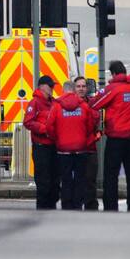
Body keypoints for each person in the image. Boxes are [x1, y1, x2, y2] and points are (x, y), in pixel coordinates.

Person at [91, 60, 130, 212]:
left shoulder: (113, 88)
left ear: (113, 73)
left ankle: (111, 208)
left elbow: (94, 104)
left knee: (111, 175)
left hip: (116, 140)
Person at [47, 81, 97, 210]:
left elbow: (49, 126)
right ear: (74, 90)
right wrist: (83, 139)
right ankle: (77, 205)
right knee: (80, 179)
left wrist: (57, 139)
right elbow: (90, 126)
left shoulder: (56, 106)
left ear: (63, 91)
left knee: (66, 179)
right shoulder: (84, 106)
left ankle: (66, 205)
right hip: (81, 148)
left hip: (63, 149)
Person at [23, 75, 58, 210]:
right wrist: (44, 129)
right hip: (41, 147)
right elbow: (28, 122)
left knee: (54, 180)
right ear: (42, 87)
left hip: (53, 146)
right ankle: (42, 209)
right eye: (50, 86)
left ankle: (51, 207)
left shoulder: (54, 102)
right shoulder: (35, 103)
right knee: (43, 181)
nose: (52, 88)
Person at [74, 76, 100, 211]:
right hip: (75, 150)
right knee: (76, 181)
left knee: (90, 180)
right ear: (74, 88)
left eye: (83, 86)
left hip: (90, 148)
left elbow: (97, 122)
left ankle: (91, 208)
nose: (81, 89)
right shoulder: (70, 104)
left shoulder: (92, 104)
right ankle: (76, 206)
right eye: (78, 86)